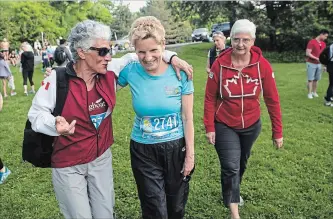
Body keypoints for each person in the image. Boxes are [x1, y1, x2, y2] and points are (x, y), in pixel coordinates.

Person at [28, 19, 192, 219]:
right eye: (103, 51)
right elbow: (36, 114)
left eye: (110, 50)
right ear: (82, 52)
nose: (109, 57)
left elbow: (140, 53)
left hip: (100, 160)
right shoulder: (57, 79)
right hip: (68, 163)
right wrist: (53, 124)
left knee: (105, 214)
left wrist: (172, 56)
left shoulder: (110, 71)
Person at [115, 16, 194, 219]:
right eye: (141, 51)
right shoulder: (130, 72)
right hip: (144, 151)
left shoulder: (181, 73)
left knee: (176, 208)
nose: (147, 57)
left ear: (163, 47)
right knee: (154, 210)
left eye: (153, 50)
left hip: (176, 147)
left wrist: (190, 156)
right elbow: (102, 88)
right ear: (135, 51)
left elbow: (187, 118)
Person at [204, 19, 283, 219]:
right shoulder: (219, 64)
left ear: (253, 41)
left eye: (246, 40)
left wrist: (278, 132)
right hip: (224, 123)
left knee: (240, 163)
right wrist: (210, 127)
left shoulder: (262, 66)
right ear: (231, 39)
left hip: (251, 124)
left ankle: (230, 191)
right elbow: (209, 98)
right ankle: (234, 213)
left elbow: (272, 100)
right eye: (237, 39)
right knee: (231, 166)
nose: (240, 44)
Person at [306, 29, 329, 99]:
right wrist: (317, 58)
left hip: (319, 64)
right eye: (325, 36)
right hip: (311, 63)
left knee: (316, 79)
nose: (326, 38)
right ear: (321, 34)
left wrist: (325, 65)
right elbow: (307, 53)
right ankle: (309, 93)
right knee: (310, 79)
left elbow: (324, 55)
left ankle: (314, 92)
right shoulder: (312, 42)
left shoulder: (323, 44)